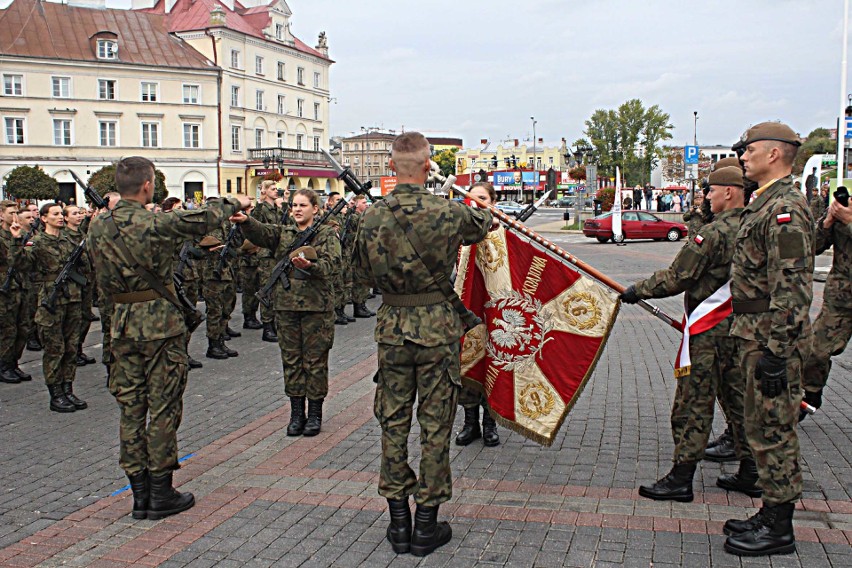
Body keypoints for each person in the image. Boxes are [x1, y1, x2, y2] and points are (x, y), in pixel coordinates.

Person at [353, 132, 494, 557]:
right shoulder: (448, 212)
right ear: (427, 163)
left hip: (393, 329)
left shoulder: (372, 217)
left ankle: (398, 523)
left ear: (391, 166)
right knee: (435, 426)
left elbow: (359, 271)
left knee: (392, 423)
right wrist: (458, 188)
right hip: (437, 328)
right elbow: (485, 222)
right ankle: (426, 525)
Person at [87, 156, 251, 520]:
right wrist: (235, 201)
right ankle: (160, 492)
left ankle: (138, 495)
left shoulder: (97, 228)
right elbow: (206, 218)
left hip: (121, 323)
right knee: (162, 406)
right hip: (160, 323)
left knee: (131, 408)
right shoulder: (156, 222)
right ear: (148, 185)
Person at [621, 166, 754, 502]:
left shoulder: (713, 233)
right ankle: (752, 470)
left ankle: (681, 477)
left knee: (693, 403)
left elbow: (680, 275)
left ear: (728, 192)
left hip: (709, 331)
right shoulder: (755, 227)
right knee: (737, 398)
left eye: (711, 191)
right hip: (744, 327)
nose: (707, 196)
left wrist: (639, 289)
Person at [723, 122, 813, 557]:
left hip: (771, 340)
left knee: (775, 430)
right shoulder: (766, 204)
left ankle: (780, 528)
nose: (743, 156)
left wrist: (777, 352)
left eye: (749, 149)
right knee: (760, 426)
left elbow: (792, 288)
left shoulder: (786, 209)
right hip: (754, 336)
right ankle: (771, 510)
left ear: (774, 154)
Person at [234, 189, 339, 438]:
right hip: (286, 308)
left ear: (315, 208)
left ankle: (314, 413)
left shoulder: (325, 234)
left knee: (314, 361)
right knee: (291, 360)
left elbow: (334, 265)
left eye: (303, 205)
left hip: (316, 308)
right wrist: (246, 221)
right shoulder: (285, 232)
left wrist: (311, 267)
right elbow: (261, 232)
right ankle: (296, 413)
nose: (297, 209)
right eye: (294, 205)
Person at [25, 203, 85, 412]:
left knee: (71, 347)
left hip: (73, 297)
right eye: (56, 214)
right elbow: (22, 265)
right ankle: (55, 394)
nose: (60, 217)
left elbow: (85, 264)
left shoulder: (69, 239)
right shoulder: (37, 242)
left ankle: (68, 389)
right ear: (43, 218)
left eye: (61, 214)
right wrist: (18, 242)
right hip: (51, 299)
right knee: (54, 348)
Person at [454, 182, 500, 448]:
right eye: (470, 198)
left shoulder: (503, 233)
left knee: (492, 365)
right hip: (465, 310)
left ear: (492, 203)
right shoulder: (459, 235)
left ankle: (490, 423)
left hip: (494, 310)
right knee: (467, 362)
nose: (476, 203)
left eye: (482, 198)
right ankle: (469, 422)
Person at [800, 191, 851, 420]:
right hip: (841, 299)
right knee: (815, 351)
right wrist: (828, 222)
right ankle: (809, 395)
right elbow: (812, 246)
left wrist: (849, 222)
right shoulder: (846, 207)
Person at [162, 198, 203, 369]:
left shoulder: (185, 229)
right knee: (177, 320)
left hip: (189, 276)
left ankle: (184, 352)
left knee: (191, 317)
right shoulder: (164, 230)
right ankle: (176, 356)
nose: (182, 211)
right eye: (178, 208)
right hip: (176, 277)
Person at [199, 216, 241, 360]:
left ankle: (221, 340)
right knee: (214, 310)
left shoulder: (227, 224)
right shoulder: (205, 223)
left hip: (226, 271)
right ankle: (213, 345)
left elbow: (236, 244)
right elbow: (196, 248)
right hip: (211, 273)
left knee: (226, 308)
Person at [61, 205, 97, 368]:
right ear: (66, 218)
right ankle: (72, 351)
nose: (78, 216)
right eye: (74, 214)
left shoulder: (81, 234)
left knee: (85, 317)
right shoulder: (63, 236)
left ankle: (79, 348)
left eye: (79, 213)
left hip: (87, 280)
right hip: (74, 283)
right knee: (74, 320)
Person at [0, 201, 30, 383]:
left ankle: (14, 362)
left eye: (17, 212)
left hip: (21, 284)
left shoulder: (22, 235)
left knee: (23, 327)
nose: (15, 216)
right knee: (7, 329)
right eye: (11, 213)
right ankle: (4, 365)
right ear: (1, 215)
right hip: (5, 287)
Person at [250, 181, 285, 341]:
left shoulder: (277, 210)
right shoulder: (261, 209)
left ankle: (276, 323)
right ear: (264, 191)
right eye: (272, 189)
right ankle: (267, 326)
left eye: (276, 189)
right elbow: (254, 227)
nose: (276, 191)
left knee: (277, 291)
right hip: (265, 255)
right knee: (267, 290)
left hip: (277, 253)